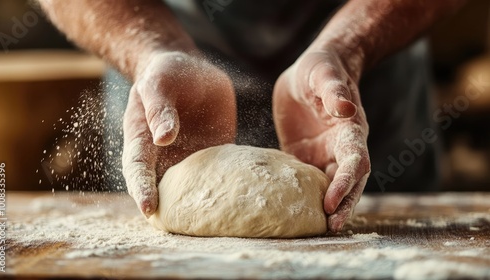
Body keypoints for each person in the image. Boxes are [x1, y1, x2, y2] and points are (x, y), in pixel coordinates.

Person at [37, 0, 466, 232]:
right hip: (162, 62)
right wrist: (152, 50)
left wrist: (348, 47)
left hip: (358, 77)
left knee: (393, 247)